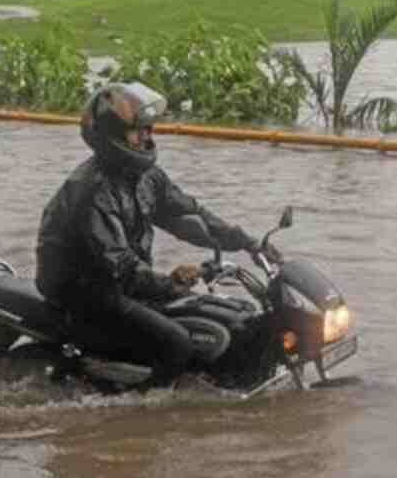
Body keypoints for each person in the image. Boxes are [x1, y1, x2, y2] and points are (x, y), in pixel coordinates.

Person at [35, 82, 280, 386]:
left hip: (125, 286)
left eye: (149, 129)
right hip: (88, 293)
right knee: (178, 341)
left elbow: (188, 214)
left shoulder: (146, 177)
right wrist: (171, 283)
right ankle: (147, 412)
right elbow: (119, 264)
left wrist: (247, 243)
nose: (146, 137)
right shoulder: (93, 191)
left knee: (229, 316)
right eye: (138, 131)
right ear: (111, 136)